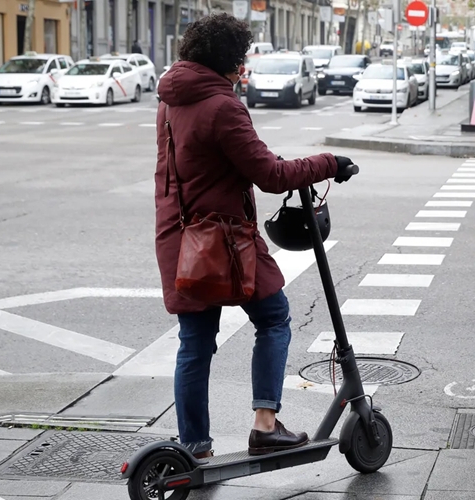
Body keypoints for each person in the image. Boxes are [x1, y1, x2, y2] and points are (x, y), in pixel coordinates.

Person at [154, 13, 356, 459]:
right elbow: (269, 175)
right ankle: (265, 424)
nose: (242, 69)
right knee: (273, 317)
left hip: (178, 237)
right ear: (229, 61)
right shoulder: (222, 105)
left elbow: (193, 165)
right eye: (241, 60)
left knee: (195, 341)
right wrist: (329, 162)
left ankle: (193, 447)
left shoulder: (171, 100)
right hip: (223, 240)